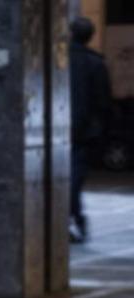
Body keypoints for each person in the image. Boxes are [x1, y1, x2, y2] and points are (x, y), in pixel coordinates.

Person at [69, 16, 113, 244]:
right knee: (74, 178)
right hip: (83, 131)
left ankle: (72, 218)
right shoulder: (96, 63)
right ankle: (74, 217)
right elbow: (103, 102)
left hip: (57, 128)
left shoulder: (58, 61)